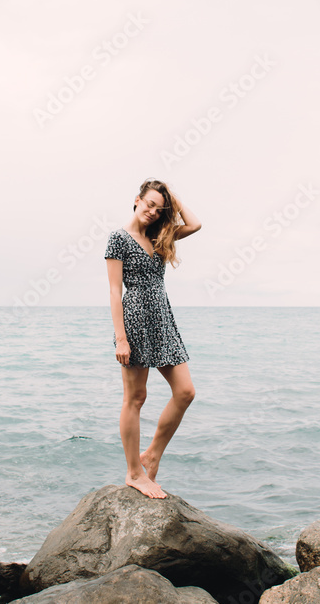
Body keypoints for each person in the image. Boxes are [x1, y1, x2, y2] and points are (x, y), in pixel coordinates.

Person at [104, 179, 201, 499]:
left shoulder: (160, 235)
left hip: (163, 319)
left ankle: (152, 454)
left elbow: (195, 224)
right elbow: (115, 291)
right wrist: (121, 338)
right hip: (134, 321)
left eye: (159, 209)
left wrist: (171, 196)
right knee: (135, 398)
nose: (152, 211)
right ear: (137, 200)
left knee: (185, 392)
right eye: (149, 204)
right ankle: (134, 472)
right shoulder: (118, 238)